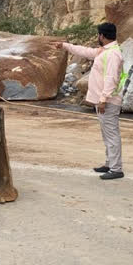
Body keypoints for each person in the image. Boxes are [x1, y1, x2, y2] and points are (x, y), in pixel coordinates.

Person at [53, 22, 126, 180]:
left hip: (108, 101)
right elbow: (86, 51)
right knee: (107, 134)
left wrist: (103, 99)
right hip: (105, 100)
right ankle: (110, 163)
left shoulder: (112, 54)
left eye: (98, 35)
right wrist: (65, 46)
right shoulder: (105, 51)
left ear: (102, 36)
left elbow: (111, 78)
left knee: (111, 134)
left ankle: (116, 168)